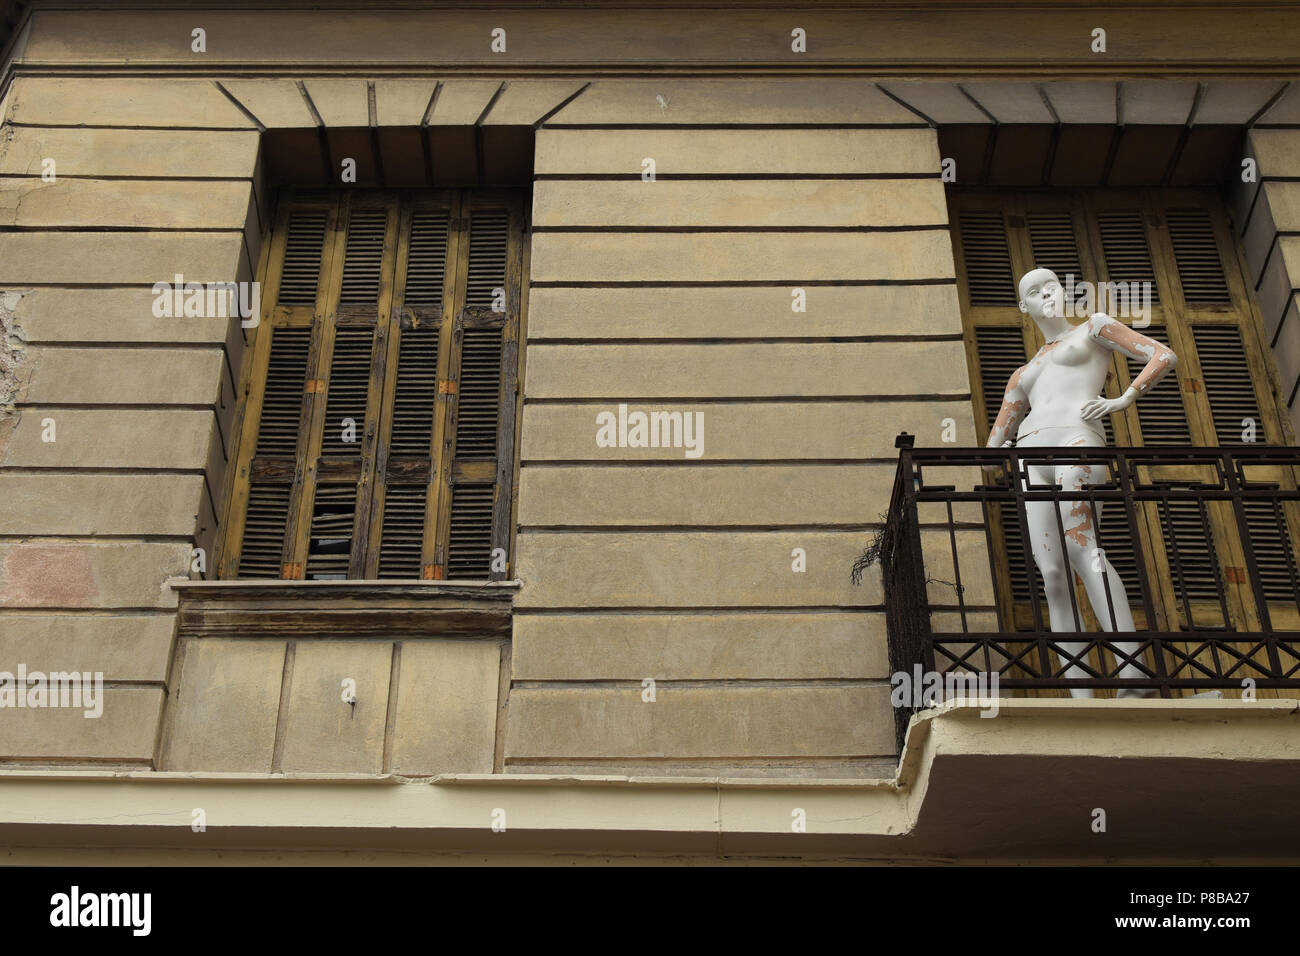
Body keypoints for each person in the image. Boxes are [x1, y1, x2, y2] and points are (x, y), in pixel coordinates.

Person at [987, 268, 1177, 699]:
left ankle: (1132, 672)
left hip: (1078, 439)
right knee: (1052, 573)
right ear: (1025, 307)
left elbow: (1162, 355)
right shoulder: (1023, 373)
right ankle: (1081, 693)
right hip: (1029, 457)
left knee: (1084, 548)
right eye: (1034, 292)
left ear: (1063, 291)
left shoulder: (1093, 328)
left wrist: (1124, 398)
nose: (1045, 295)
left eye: (1050, 286)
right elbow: (993, 444)